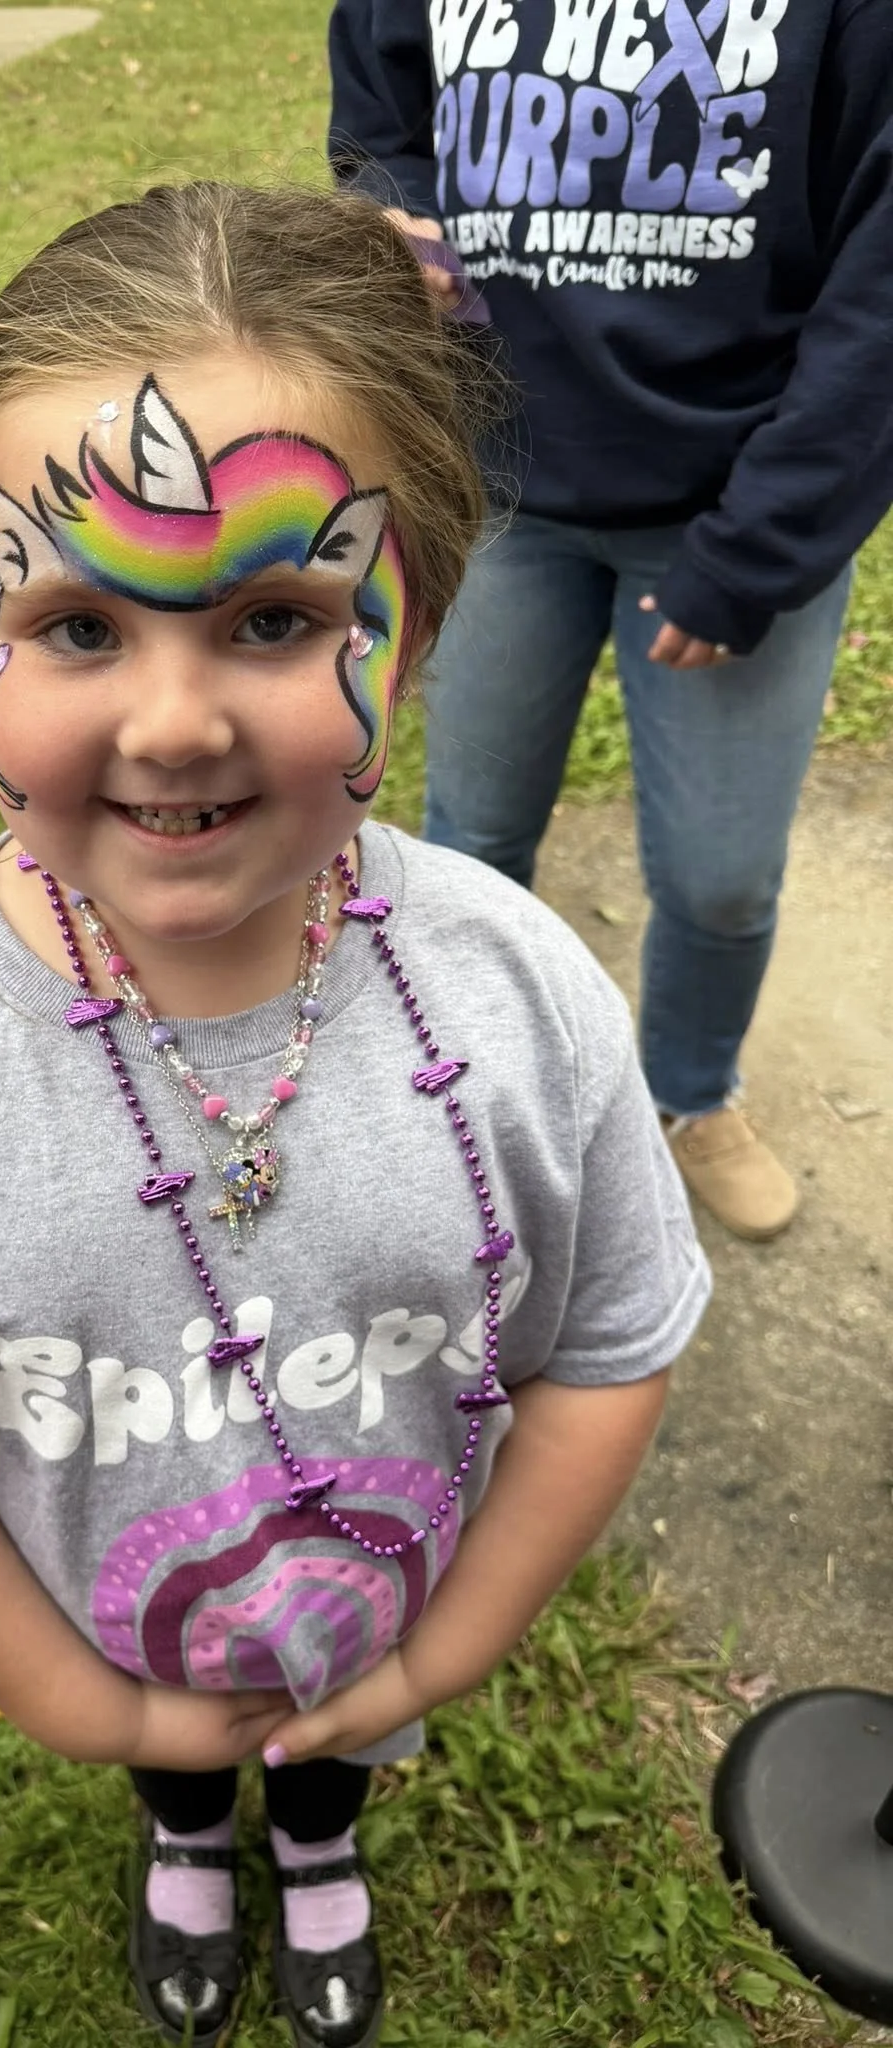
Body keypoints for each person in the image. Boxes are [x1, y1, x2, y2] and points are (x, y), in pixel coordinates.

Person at [0, 183, 710, 2048]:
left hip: (387, 1626)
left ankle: (318, 1842)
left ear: (409, 631)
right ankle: (184, 1825)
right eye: (79, 627)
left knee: (333, 1752)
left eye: (273, 615)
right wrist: (116, 1718)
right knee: (194, 1764)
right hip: (119, 1641)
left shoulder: (517, 996)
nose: (172, 723)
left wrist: (451, 1639)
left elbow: (608, 1346)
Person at [328, 0, 893, 1242]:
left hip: (733, 504)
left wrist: (763, 545)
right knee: (473, 840)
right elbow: (380, 101)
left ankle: (689, 1095)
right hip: (496, 491)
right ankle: (473, 1093)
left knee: (721, 877)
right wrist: (393, 212)